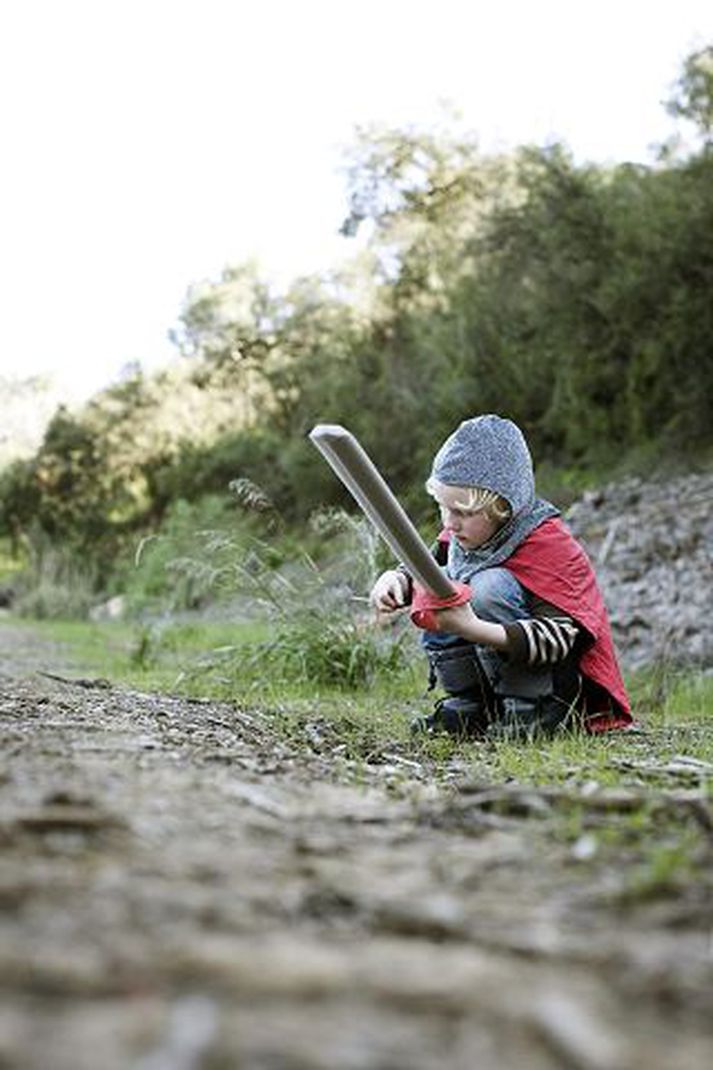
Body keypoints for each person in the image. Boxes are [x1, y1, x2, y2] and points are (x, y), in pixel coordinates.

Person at [370, 414, 633, 739]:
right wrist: (397, 580)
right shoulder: (461, 535)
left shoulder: (549, 545)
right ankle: (472, 705)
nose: (450, 523)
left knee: (489, 586)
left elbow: (561, 639)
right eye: (443, 507)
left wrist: (472, 628)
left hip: (553, 685)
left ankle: (533, 709)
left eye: (463, 513)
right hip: (491, 678)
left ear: (504, 508)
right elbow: (423, 565)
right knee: (436, 579)